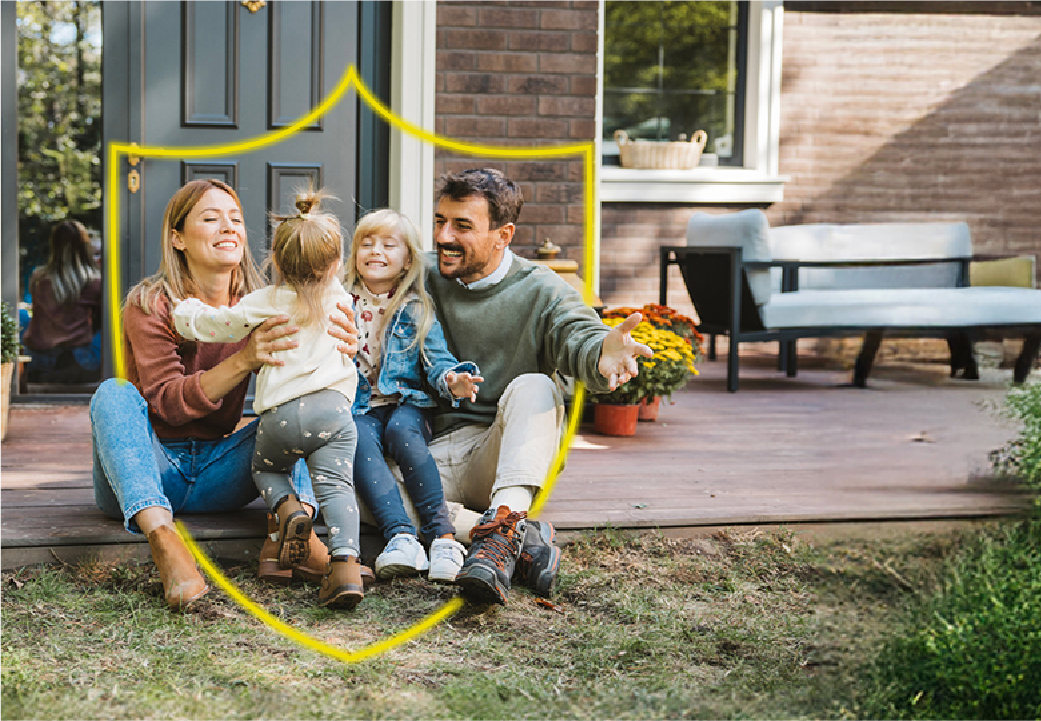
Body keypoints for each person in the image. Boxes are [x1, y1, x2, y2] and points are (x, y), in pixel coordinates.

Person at [89, 179, 361, 611]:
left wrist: (346, 343)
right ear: (177, 238)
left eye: (235, 218)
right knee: (113, 393)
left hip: (219, 470)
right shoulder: (150, 303)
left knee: (305, 410)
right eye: (210, 218)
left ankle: (293, 531)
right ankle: (164, 540)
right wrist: (246, 358)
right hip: (148, 467)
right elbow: (167, 404)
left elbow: (336, 371)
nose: (227, 227)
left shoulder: (269, 302)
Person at [423, 168, 652, 605]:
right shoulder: (420, 274)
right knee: (362, 480)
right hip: (428, 451)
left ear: (503, 235)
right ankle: (516, 538)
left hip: (503, 456)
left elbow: (578, 333)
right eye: (439, 221)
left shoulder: (543, 289)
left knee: (534, 386)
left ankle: (502, 525)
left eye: (462, 226)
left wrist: (603, 352)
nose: (444, 236)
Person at [173, 189, 366, 610]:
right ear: (336, 265)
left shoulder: (266, 302)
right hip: (334, 413)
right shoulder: (340, 297)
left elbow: (216, 326)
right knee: (336, 488)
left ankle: (288, 510)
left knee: (268, 469)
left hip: (281, 417)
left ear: (276, 262)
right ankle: (346, 566)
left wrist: (184, 312)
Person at [345, 209, 482, 583]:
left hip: (407, 403)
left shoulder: (416, 309)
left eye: (389, 245)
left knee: (402, 434)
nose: (376, 251)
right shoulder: (339, 303)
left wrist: (454, 380)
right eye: (367, 244)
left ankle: (443, 539)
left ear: (407, 261)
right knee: (356, 438)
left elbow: (437, 360)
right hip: (359, 406)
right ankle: (401, 537)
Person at [22, 219, 103, 384]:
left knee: (20, 316)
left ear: (54, 246)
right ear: (84, 247)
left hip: (38, 357)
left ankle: (45, 373)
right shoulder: (94, 282)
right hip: (77, 359)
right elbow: (99, 322)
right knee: (110, 326)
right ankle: (63, 373)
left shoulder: (38, 278)